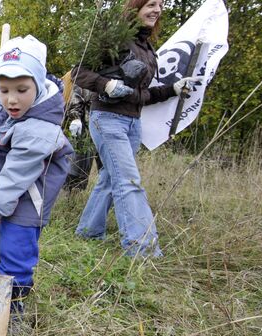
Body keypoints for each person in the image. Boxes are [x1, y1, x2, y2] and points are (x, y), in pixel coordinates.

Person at [71, 0, 201, 257]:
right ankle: (142, 248)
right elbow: (78, 72)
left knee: (110, 178)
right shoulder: (115, 39)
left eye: (161, 5)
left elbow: (141, 95)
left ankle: (88, 231)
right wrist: (106, 85)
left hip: (133, 122)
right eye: (151, 4)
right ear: (136, 8)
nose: (157, 9)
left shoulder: (148, 50)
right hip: (107, 119)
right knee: (128, 181)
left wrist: (173, 89)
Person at [0, 35, 74, 320]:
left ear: (38, 84)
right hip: (6, 184)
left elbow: (19, 172)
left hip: (30, 192)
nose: (11, 99)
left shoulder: (40, 126)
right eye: (4, 89)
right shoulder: (2, 100)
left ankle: (14, 302)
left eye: (21, 89)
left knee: (16, 245)